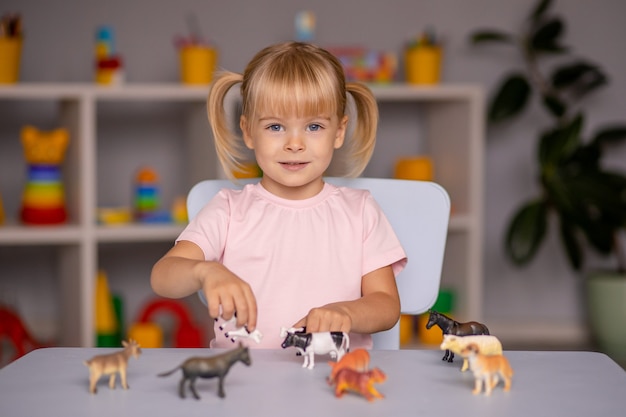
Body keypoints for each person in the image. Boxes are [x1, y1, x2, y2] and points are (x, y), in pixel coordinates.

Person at [151, 41, 407, 349]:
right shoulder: (228, 210)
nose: (294, 143)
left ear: (339, 132)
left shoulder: (361, 211)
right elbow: (162, 276)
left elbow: (387, 305)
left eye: (313, 126)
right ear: (247, 131)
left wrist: (346, 313)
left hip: (332, 381)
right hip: (242, 384)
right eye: (275, 126)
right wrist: (205, 270)